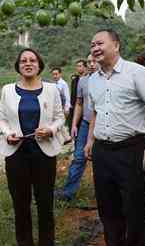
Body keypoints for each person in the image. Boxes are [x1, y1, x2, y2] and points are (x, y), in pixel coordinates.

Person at [84, 29, 145, 246]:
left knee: (134, 208)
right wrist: (90, 140)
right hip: (102, 152)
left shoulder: (137, 72)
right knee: (107, 208)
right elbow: (96, 112)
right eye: (92, 45)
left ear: (116, 45)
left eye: (100, 43)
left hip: (131, 149)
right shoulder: (92, 79)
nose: (95, 48)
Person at [0, 48, 66, 246]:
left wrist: (51, 130)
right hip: (16, 154)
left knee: (45, 203)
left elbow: (60, 117)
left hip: (43, 153)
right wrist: (7, 133)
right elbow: (1, 119)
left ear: (39, 65)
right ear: (18, 66)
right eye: (23, 61)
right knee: (20, 203)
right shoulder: (7, 90)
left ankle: (47, 242)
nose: (28, 64)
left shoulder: (52, 89)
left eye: (32, 60)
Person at [57, 54, 98, 201]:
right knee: (79, 157)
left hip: (104, 126)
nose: (92, 64)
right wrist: (74, 124)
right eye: (89, 62)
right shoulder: (83, 80)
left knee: (101, 159)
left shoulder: (108, 80)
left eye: (94, 61)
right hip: (86, 124)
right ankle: (68, 193)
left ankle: (106, 195)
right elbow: (79, 103)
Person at [68, 59, 87, 127]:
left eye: (80, 66)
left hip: (83, 109)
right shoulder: (75, 79)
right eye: (77, 66)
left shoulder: (88, 80)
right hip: (73, 108)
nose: (77, 68)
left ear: (85, 67)